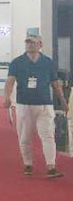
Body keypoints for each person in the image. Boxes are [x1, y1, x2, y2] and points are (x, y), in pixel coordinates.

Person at [4, 35, 68, 178]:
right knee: (24, 137)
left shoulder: (48, 63)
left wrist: (62, 100)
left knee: (48, 135)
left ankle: (51, 166)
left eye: (33, 42)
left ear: (40, 45)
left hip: (44, 104)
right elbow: (10, 81)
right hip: (24, 104)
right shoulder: (17, 62)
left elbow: (55, 83)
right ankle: (28, 164)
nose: (30, 45)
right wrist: (6, 97)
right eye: (28, 42)